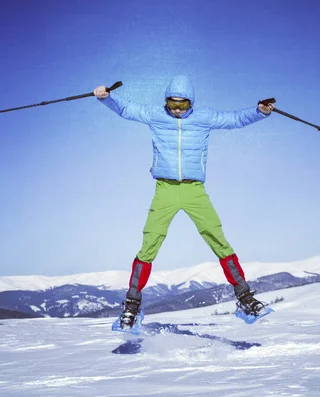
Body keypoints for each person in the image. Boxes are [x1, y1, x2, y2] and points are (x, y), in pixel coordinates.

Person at [94, 75, 275, 329]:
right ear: (166, 101)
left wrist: (259, 111)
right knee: (150, 243)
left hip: (194, 190)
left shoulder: (204, 117)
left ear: (191, 103)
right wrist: (107, 97)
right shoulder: (156, 115)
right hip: (165, 189)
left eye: (183, 105)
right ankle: (131, 306)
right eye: (172, 104)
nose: (177, 110)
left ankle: (244, 297)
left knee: (217, 238)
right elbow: (126, 109)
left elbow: (234, 119)